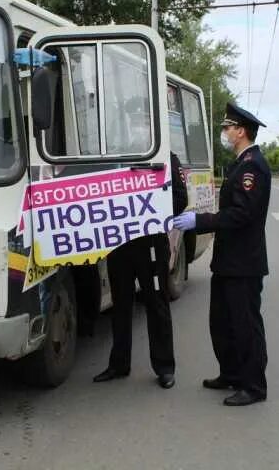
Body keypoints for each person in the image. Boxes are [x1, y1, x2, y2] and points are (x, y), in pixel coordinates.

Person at [174, 102, 271, 406]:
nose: (225, 132)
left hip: (244, 263)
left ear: (241, 131)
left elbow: (241, 215)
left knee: (245, 325)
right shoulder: (240, 162)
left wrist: (201, 220)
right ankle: (230, 372)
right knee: (223, 321)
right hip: (229, 261)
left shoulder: (252, 166)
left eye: (228, 128)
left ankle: (253, 386)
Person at [94, 151, 188, 389]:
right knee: (120, 305)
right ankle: (119, 364)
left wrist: (149, 210)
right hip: (120, 244)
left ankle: (165, 367)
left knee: (157, 304)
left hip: (151, 245)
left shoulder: (165, 157)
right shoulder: (114, 157)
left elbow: (180, 198)